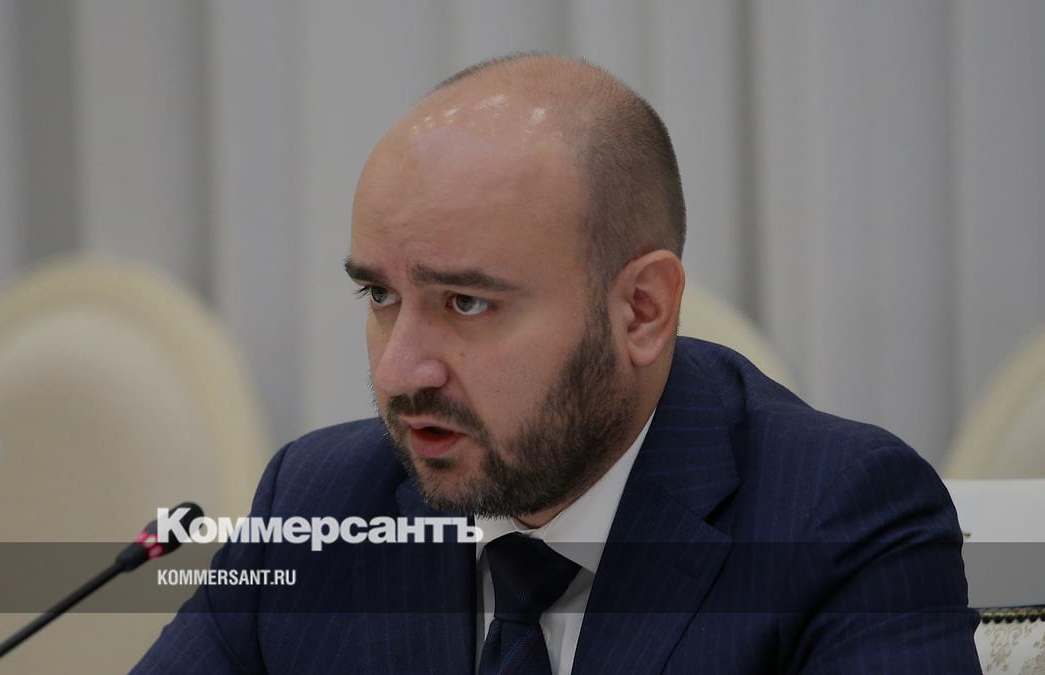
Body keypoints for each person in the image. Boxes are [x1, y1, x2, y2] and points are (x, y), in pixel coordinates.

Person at [133, 53, 980, 674]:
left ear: (641, 309)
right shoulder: (319, 503)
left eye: (467, 303)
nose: (399, 372)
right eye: (379, 295)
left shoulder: (837, 520)